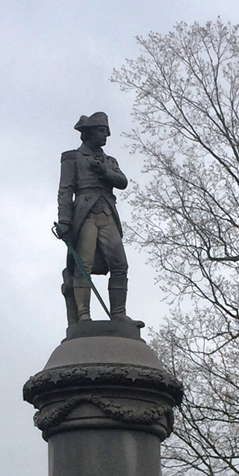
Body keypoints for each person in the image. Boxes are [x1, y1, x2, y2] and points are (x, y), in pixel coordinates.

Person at [55, 112, 133, 323]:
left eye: (106, 132)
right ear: (89, 132)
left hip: (107, 213)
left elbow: (122, 181)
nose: (106, 136)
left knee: (120, 265)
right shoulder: (73, 157)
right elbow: (65, 190)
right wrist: (64, 220)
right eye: (101, 131)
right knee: (83, 265)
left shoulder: (109, 161)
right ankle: (83, 315)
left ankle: (118, 313)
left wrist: (104, 172)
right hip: (84, 214)